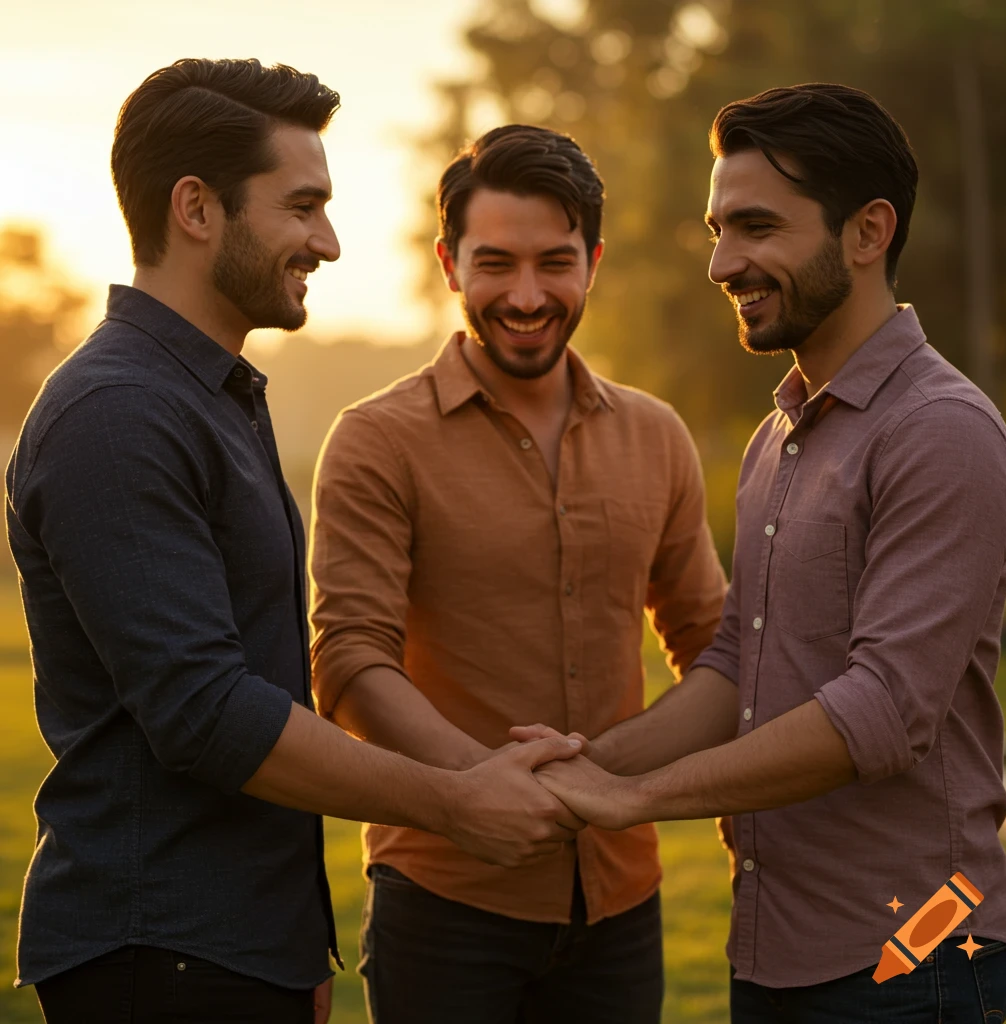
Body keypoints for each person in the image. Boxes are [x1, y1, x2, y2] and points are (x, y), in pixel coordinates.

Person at [5, 60, 584, 1024]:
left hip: (233, 948)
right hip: (162, 956)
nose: (329, 241)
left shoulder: (206, 395)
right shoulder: (118, 413)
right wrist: (455, 803)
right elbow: (206, 712)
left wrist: (291, 940)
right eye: (303, 206)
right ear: (197, 208)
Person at [525, 84, 1006, 1022]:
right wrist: (591, 763)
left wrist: (639, 800)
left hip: (910, 957)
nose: (723, 263)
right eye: (718, 230)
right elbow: (737, 666)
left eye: (757, 227)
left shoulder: (941, 431)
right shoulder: (781, 435)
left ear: (868, 232)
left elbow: (883, 711)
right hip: (777, 949)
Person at [308, 123, 727, 1023]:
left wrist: (602, 779)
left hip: (621, 902)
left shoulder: (657, 436)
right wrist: (477, 790)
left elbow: (715, 649)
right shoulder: (376, 441)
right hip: (444, 900)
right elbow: (348, 659)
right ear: (449, 265)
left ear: (594, 264)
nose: (527, 296)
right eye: (495, 264)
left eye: (555, 263)